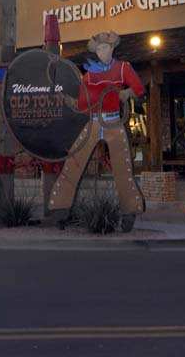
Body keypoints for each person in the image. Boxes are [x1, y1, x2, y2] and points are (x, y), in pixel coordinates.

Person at [48, 31, 146, 232]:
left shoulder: (122, 68)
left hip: (113, 122)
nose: (103, 52)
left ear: (112, 48)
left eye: (106, 48)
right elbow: (83, 104)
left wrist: (126, 93)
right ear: (96, 51)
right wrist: (66, 100)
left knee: (123, 167)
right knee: (73, 161)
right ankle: (60, 208)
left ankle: (130, 210)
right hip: (93, 122)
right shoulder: (89, 74)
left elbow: (138, 87)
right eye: (100, 48)